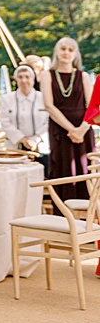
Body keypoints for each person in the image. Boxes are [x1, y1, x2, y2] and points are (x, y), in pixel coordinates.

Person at [41, 36, 95, 202]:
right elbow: (49, 106)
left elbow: (93, 106)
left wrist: (81, 129)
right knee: (63, 170)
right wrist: (71, 130)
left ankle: (88, 219)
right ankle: (64, 219)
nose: (66, 53)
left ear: (75, 54)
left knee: (84, 171)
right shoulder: (47, 75)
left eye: (70, 50)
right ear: (56, 51)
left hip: (83, 130)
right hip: (60, 130)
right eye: (63, 49)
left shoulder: (83, 76)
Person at [0, 64, 49, 168]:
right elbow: (5, 122)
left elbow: (48, 122)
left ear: (33, 79)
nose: (24, 80)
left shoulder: (44, 98)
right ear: (16, 80)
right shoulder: (7, 99)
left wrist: (35, 139)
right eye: (20, 77)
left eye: (27, 77)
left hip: (40, 148)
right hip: (14, 149)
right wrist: (23, 139)